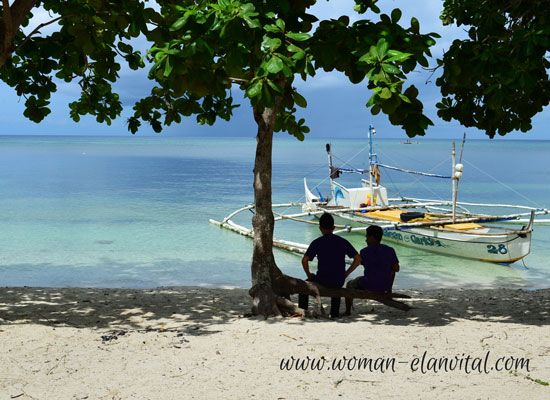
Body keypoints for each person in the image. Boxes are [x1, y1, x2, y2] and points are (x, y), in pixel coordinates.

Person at [298, 212, 361, 318]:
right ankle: (334, 313)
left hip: (322, 280)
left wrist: (309, 275)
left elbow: (304, 260)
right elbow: (358, 259)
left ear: (320, 228)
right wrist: (346, 273)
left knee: (303, 286)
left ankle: (303, 311)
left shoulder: (317, 242)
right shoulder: (342, 241)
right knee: (336, 282)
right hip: (338, 280)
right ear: (334, 227)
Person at [344, 225, 400, 316]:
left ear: (372, 237)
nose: (366, 239)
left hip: (369, 285)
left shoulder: (364, 251)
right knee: (392, 270)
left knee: (349, 284)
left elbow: (361, 263)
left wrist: (346, 273)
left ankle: (347, 312)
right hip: (385, 286)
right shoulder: (390, 250)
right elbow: (397, 269)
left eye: (367, 237)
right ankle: (389, 290)